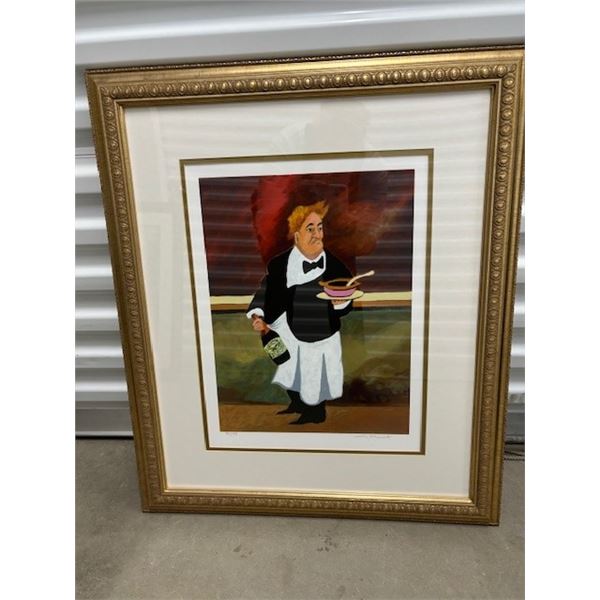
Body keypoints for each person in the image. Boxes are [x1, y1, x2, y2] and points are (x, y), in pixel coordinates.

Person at [246, 201, 353, 424]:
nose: (317, 234)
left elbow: (346, 298)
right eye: (310, 228)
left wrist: (340, 303)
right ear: (296, 236)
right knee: (287, 366)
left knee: (314, 372)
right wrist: (257, 313)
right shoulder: (279, 263)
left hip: (317, 331)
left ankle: (315, 412)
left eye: (320, 228)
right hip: (283, 325)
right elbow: (266, 289)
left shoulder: (335, 266)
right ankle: (297, 402)